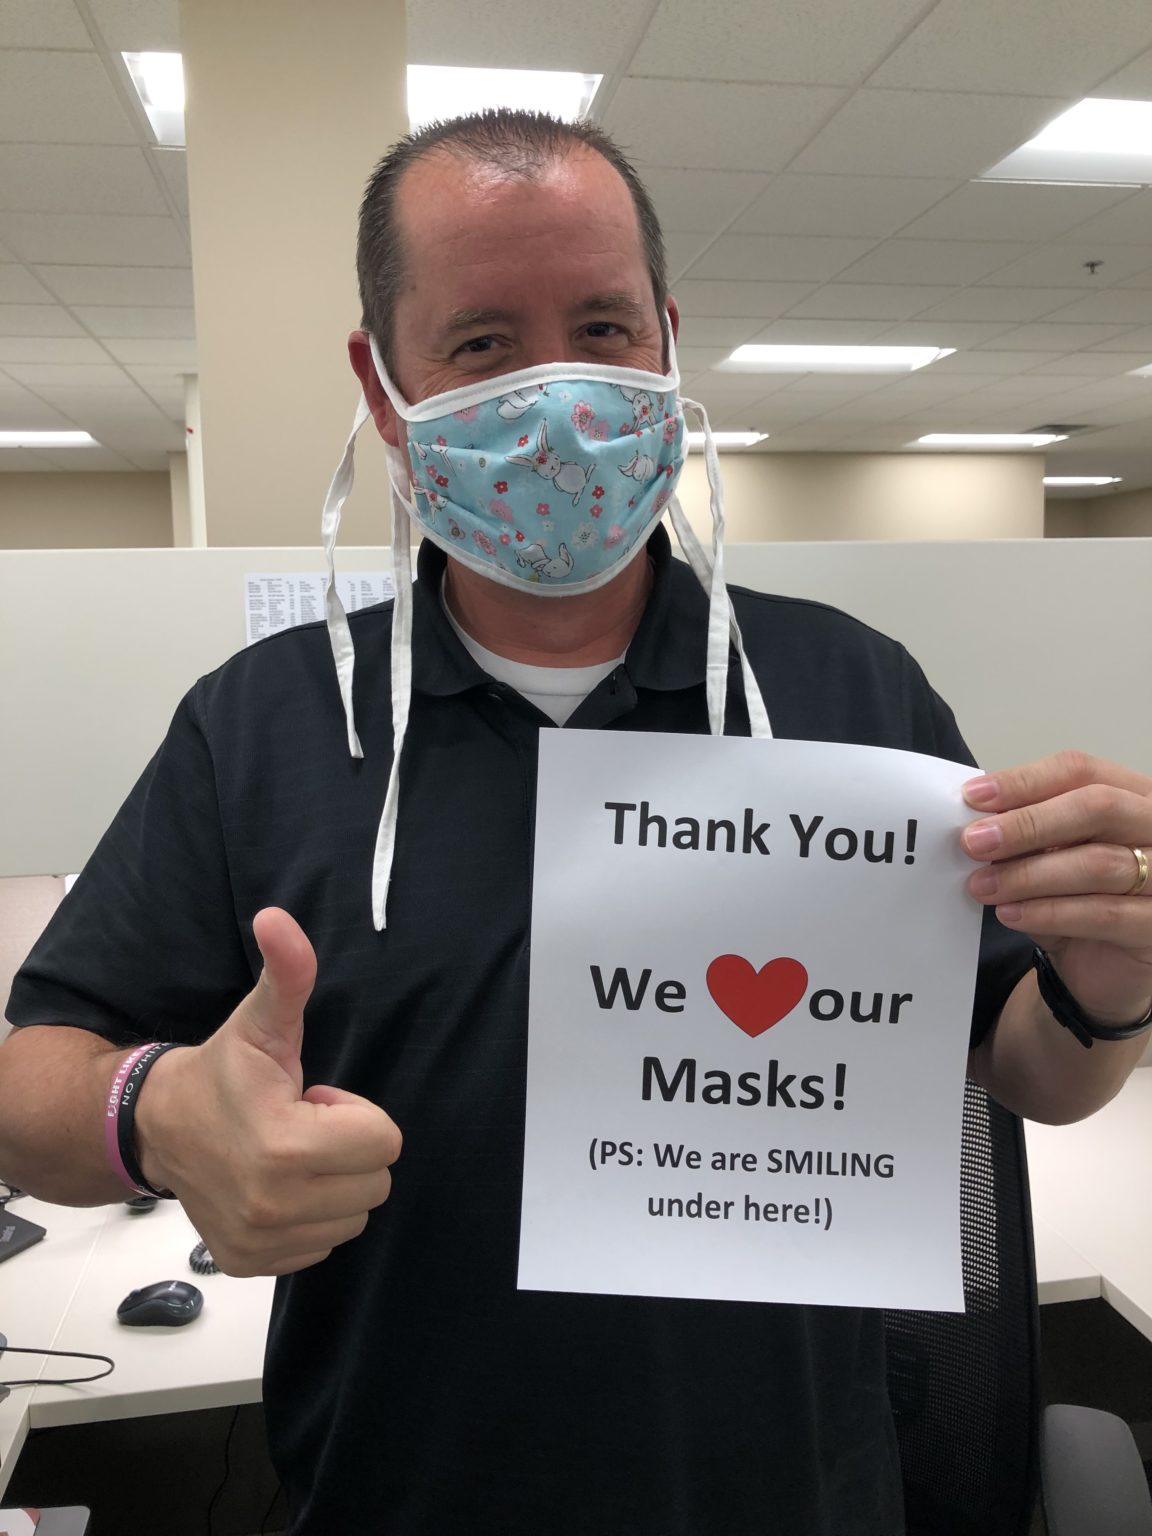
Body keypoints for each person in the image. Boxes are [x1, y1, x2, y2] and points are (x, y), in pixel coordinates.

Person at [2, 111, 1150, 1536]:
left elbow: (1024, 1072)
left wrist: (1111, 985)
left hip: (792, 1499)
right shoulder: (269, 723)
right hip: (401, 1501)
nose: (556, 397)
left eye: (603, 329)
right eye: (482, 342)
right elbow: (30, 1082)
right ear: (381, 384)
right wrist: (160, 1114)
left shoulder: (849, 691)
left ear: (668, 341)